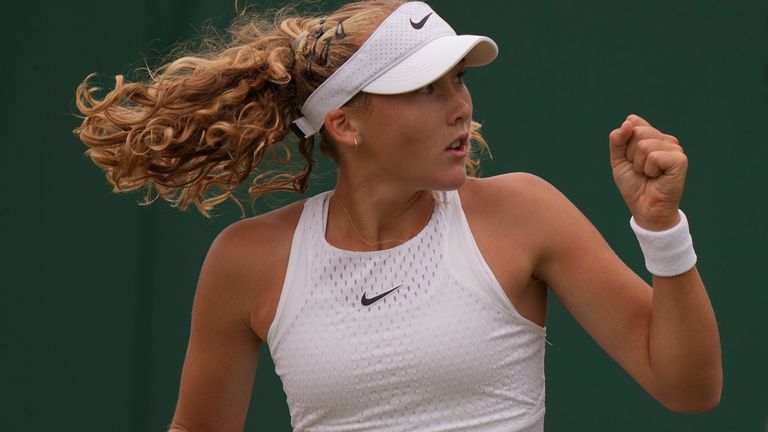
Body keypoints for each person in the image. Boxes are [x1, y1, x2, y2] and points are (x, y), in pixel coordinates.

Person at [74, 1, 722, 430]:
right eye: (424, 90)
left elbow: (688, 388)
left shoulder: (523, 213)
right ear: (346, 123)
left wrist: (662, 229)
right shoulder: (246, 262)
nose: (460, 107)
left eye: (460, 80)